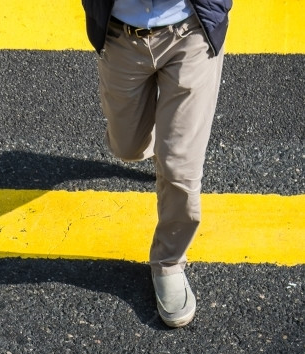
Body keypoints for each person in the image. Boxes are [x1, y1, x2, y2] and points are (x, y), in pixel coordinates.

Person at [81, 0, 232, 326]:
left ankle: (169, 261)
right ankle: (156, 140)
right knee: (128, 147)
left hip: (191, 31)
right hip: (121, 34)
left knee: (179, 165)